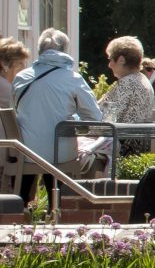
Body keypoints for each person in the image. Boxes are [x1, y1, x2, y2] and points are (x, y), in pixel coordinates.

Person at [12, 27, 105, 179]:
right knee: (59, 153)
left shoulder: (21, 77)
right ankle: (58, 199)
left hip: (25, 152)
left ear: (40, 50)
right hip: (60, 154)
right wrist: (74, 120)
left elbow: (14, 110)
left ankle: (23, 199)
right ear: (64, 50)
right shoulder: (73, 78)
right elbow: (94, 116)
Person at [100, 36, 155, 128]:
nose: (109, 65)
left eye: (110, 59)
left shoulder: (127, 83)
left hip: (118, 140)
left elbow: (102, 116)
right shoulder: (142, 80)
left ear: (121, 60)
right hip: (133, 139)